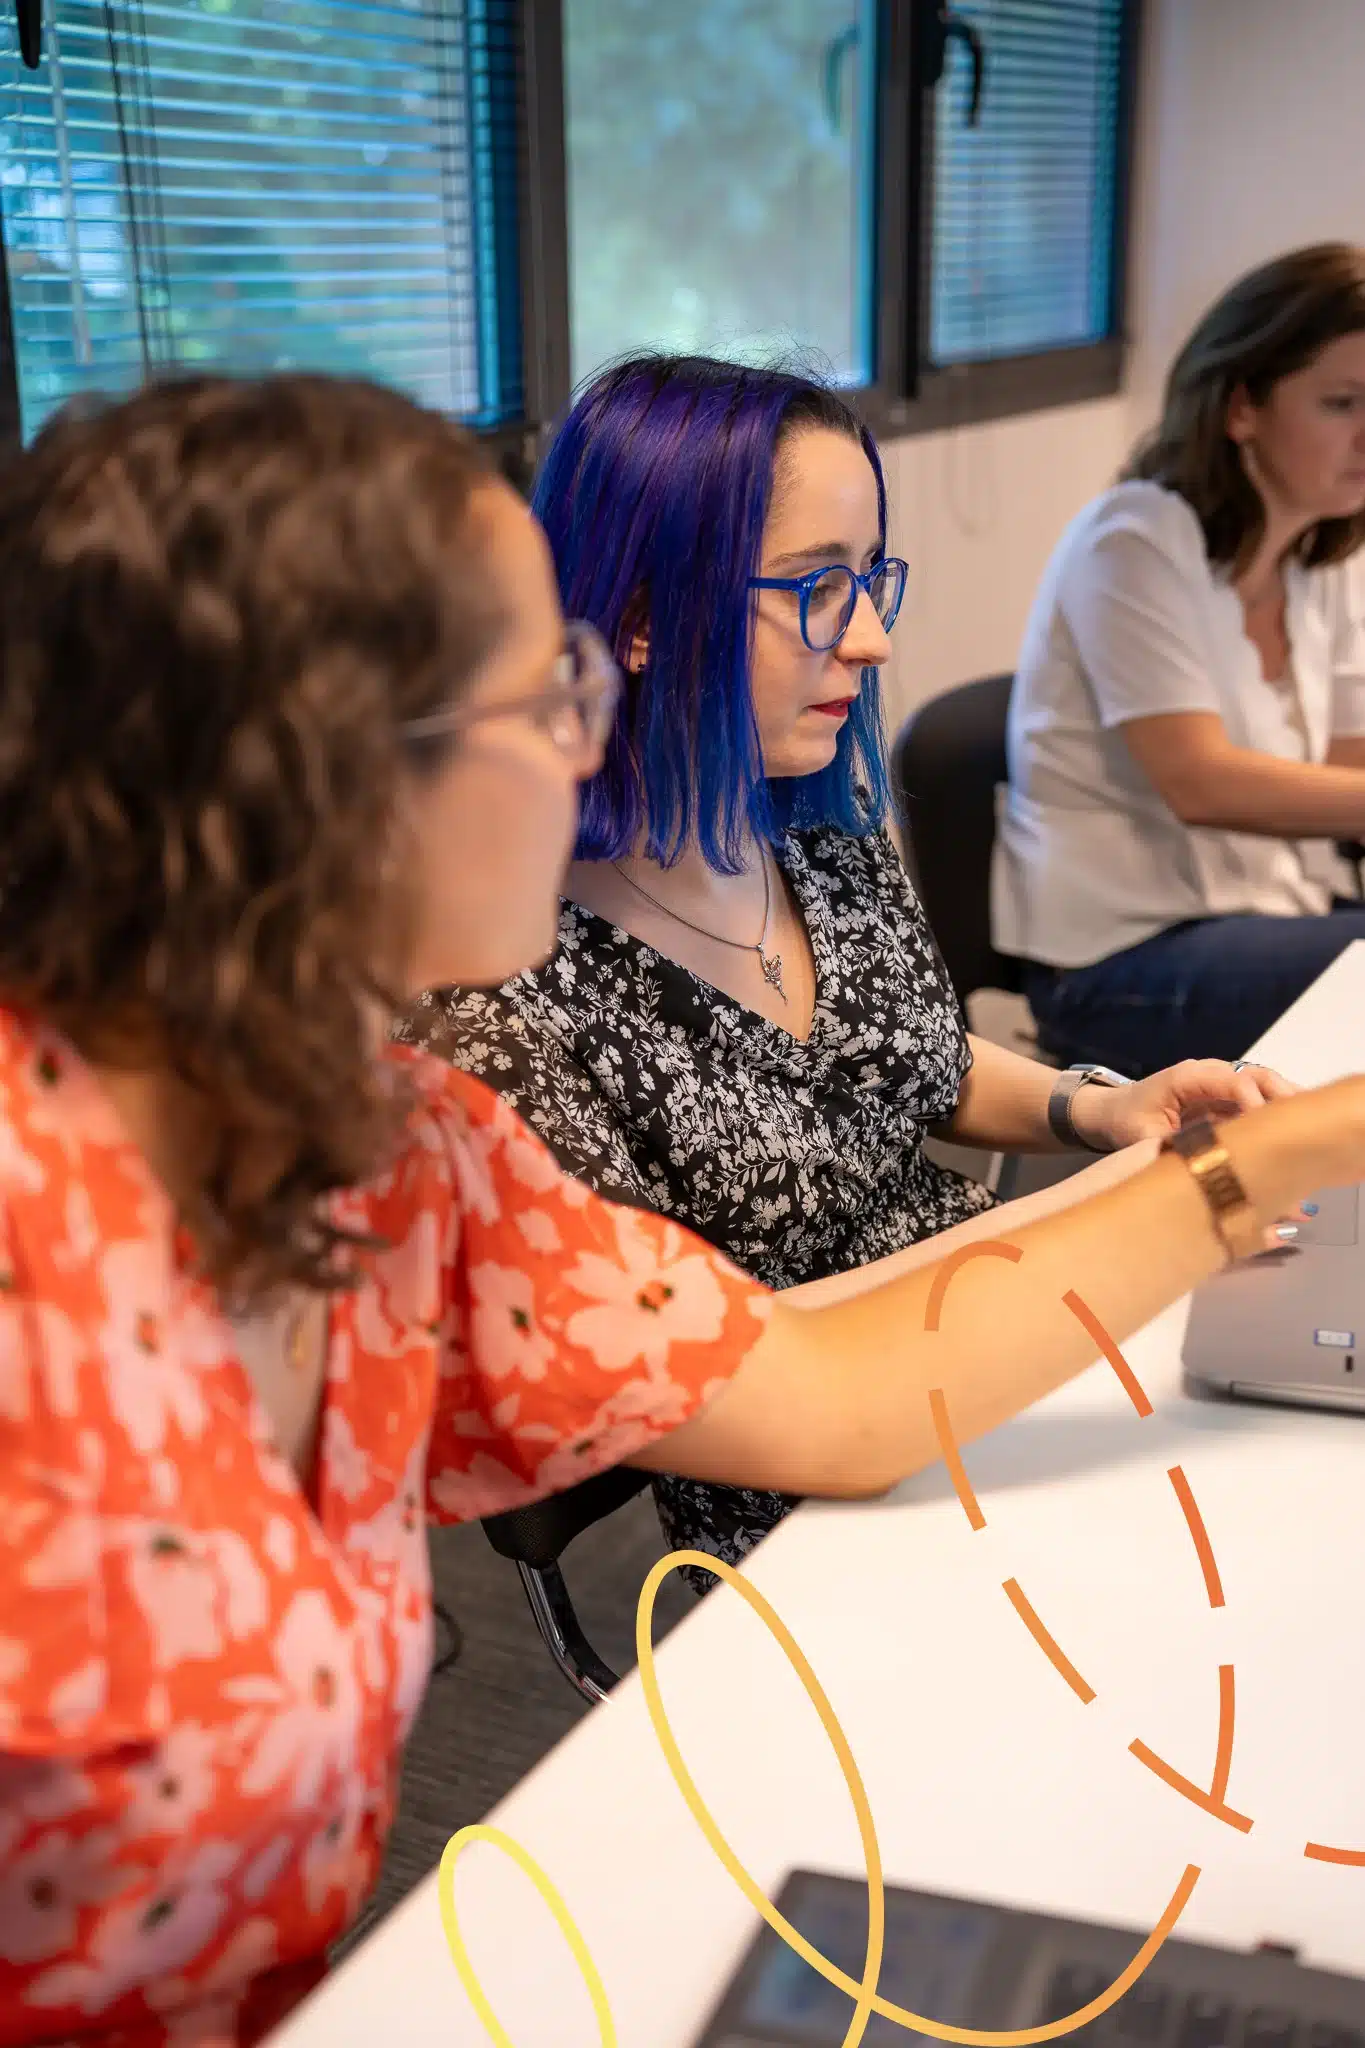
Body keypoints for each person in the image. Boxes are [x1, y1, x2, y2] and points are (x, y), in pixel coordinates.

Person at [0, 375, 1360, 2048]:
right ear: (318, 766)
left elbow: (829, 1385)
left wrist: (1265, 1161)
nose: (587, 737)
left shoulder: (400, 1153)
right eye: (544, 686)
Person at [406, 353, 1301, 1592]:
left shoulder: (804, 818)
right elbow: (748, 1366)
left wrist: (1094, 1106)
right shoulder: (504, 979)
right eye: (820, 589)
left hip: (998, 1334)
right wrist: (1140, 1203)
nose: (874, 638)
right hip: (830, 1502)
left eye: (871, 579)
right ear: (646, 615)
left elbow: (911, 1057)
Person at [993, 242, 1365, 1077]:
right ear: (1241, 407)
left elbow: (1344, 782)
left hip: (1274, 917)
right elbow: (1200, 783)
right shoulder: (1132, 539)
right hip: (1118, 966)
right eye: (1342, 402)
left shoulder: (1325, 559)